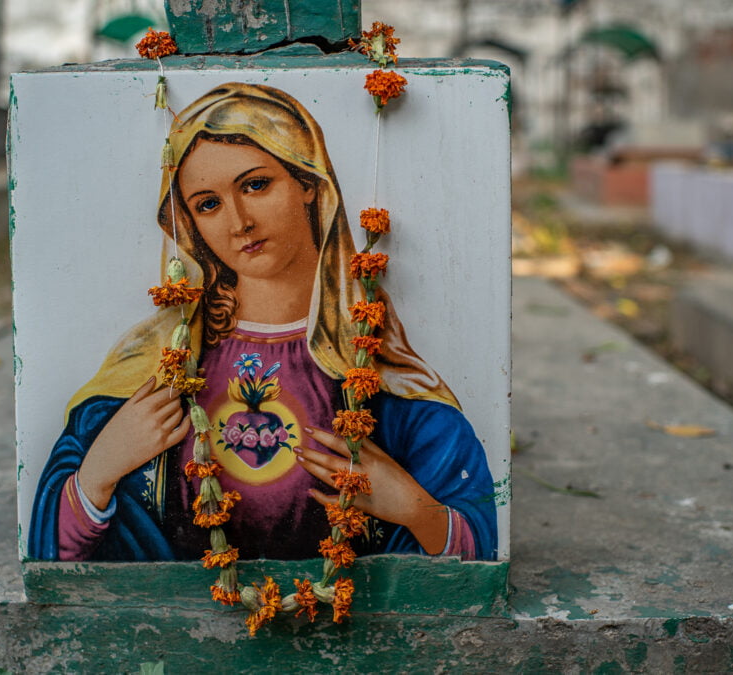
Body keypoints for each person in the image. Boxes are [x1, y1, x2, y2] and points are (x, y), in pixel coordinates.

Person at [28, 83, 497, 562]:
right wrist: (100, 470)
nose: (239, 221)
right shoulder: (158, 363)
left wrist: (416, 511)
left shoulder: (377, 367)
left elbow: (478, 548)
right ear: (191, 224)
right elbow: (53, 558)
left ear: (309, 184)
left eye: (255, 185)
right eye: (208, 204)